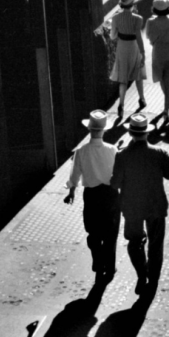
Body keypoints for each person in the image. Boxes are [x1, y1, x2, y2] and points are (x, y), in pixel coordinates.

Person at [111, 113, 169, 295]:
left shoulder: (122, 156)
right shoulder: (159, 153)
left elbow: (115, 184)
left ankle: (142, 274)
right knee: (156, 244)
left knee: (134, 242)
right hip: (156, 206)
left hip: (132, 208)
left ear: (130, 134)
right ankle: (153, 279)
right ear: (147, 133)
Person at [63, 110, 119, 279]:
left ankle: (97, 259)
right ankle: (109, 267)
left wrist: (71, 192)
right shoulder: (113, 150)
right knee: (111, 233)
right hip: (110, 196)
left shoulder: (81, 151)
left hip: (92, 196)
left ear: (89, 130)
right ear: (104, 130)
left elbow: (75, 175)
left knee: (93, 231)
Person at [110, 0, 147, 119]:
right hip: (134, 47)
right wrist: (143, 52)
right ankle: (142, 99)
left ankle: (121, 104)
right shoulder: (138, 18)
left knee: (123, 78)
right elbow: (139, 37)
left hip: (122, 47)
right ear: (133, 5)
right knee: (138, 75)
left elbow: (113, 36)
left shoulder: (115, 17)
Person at [146, 0, 169, 121]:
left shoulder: (150, 22)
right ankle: (167, 108)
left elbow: (150, 39)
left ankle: (167, 101)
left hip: (157, 54)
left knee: (161, 79)